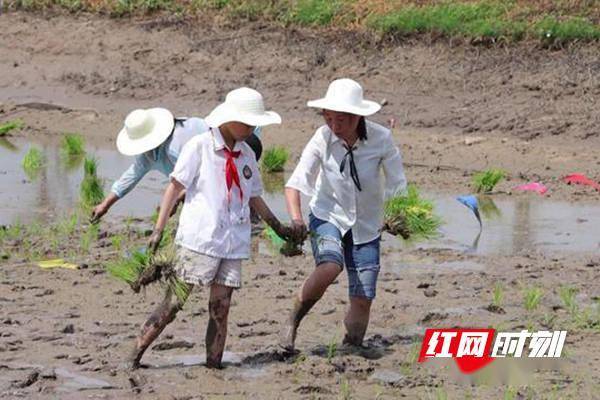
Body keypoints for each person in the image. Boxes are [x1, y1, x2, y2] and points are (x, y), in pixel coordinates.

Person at [127, 87, 299, 369]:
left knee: (221, 309)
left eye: (253, 123)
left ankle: (213, 365)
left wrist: (279, 228)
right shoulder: (200, 147)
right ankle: (134, 355)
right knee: (173, 304)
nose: (251, 128)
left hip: (233, 243)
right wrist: (158, 229)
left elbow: (255, 197)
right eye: (246, 122)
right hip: (199, 240)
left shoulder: (246, 156)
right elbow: (174, 188)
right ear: (229, 118)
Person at [279, 78, 407, 352]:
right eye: (329, 119)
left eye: (342, 120)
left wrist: (399, 216)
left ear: (358, 117)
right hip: (328, 215)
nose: (335, 127)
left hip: (367, 225)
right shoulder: (322, 138)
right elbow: (296, 183)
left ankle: (351, 347)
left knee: (363, 297)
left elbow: (397, 183)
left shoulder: (381, 139)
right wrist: (297, 219)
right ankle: (292, 320)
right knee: (330, 265)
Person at [90, 109, 263, 223]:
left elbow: (201, 175)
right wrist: (105, 205)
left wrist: (175, 200)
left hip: (240, 144)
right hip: (217, 160)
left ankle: (250, 214)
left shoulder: (177, 145)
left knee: (230, 188)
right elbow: (130, 177)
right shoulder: (148, 156)